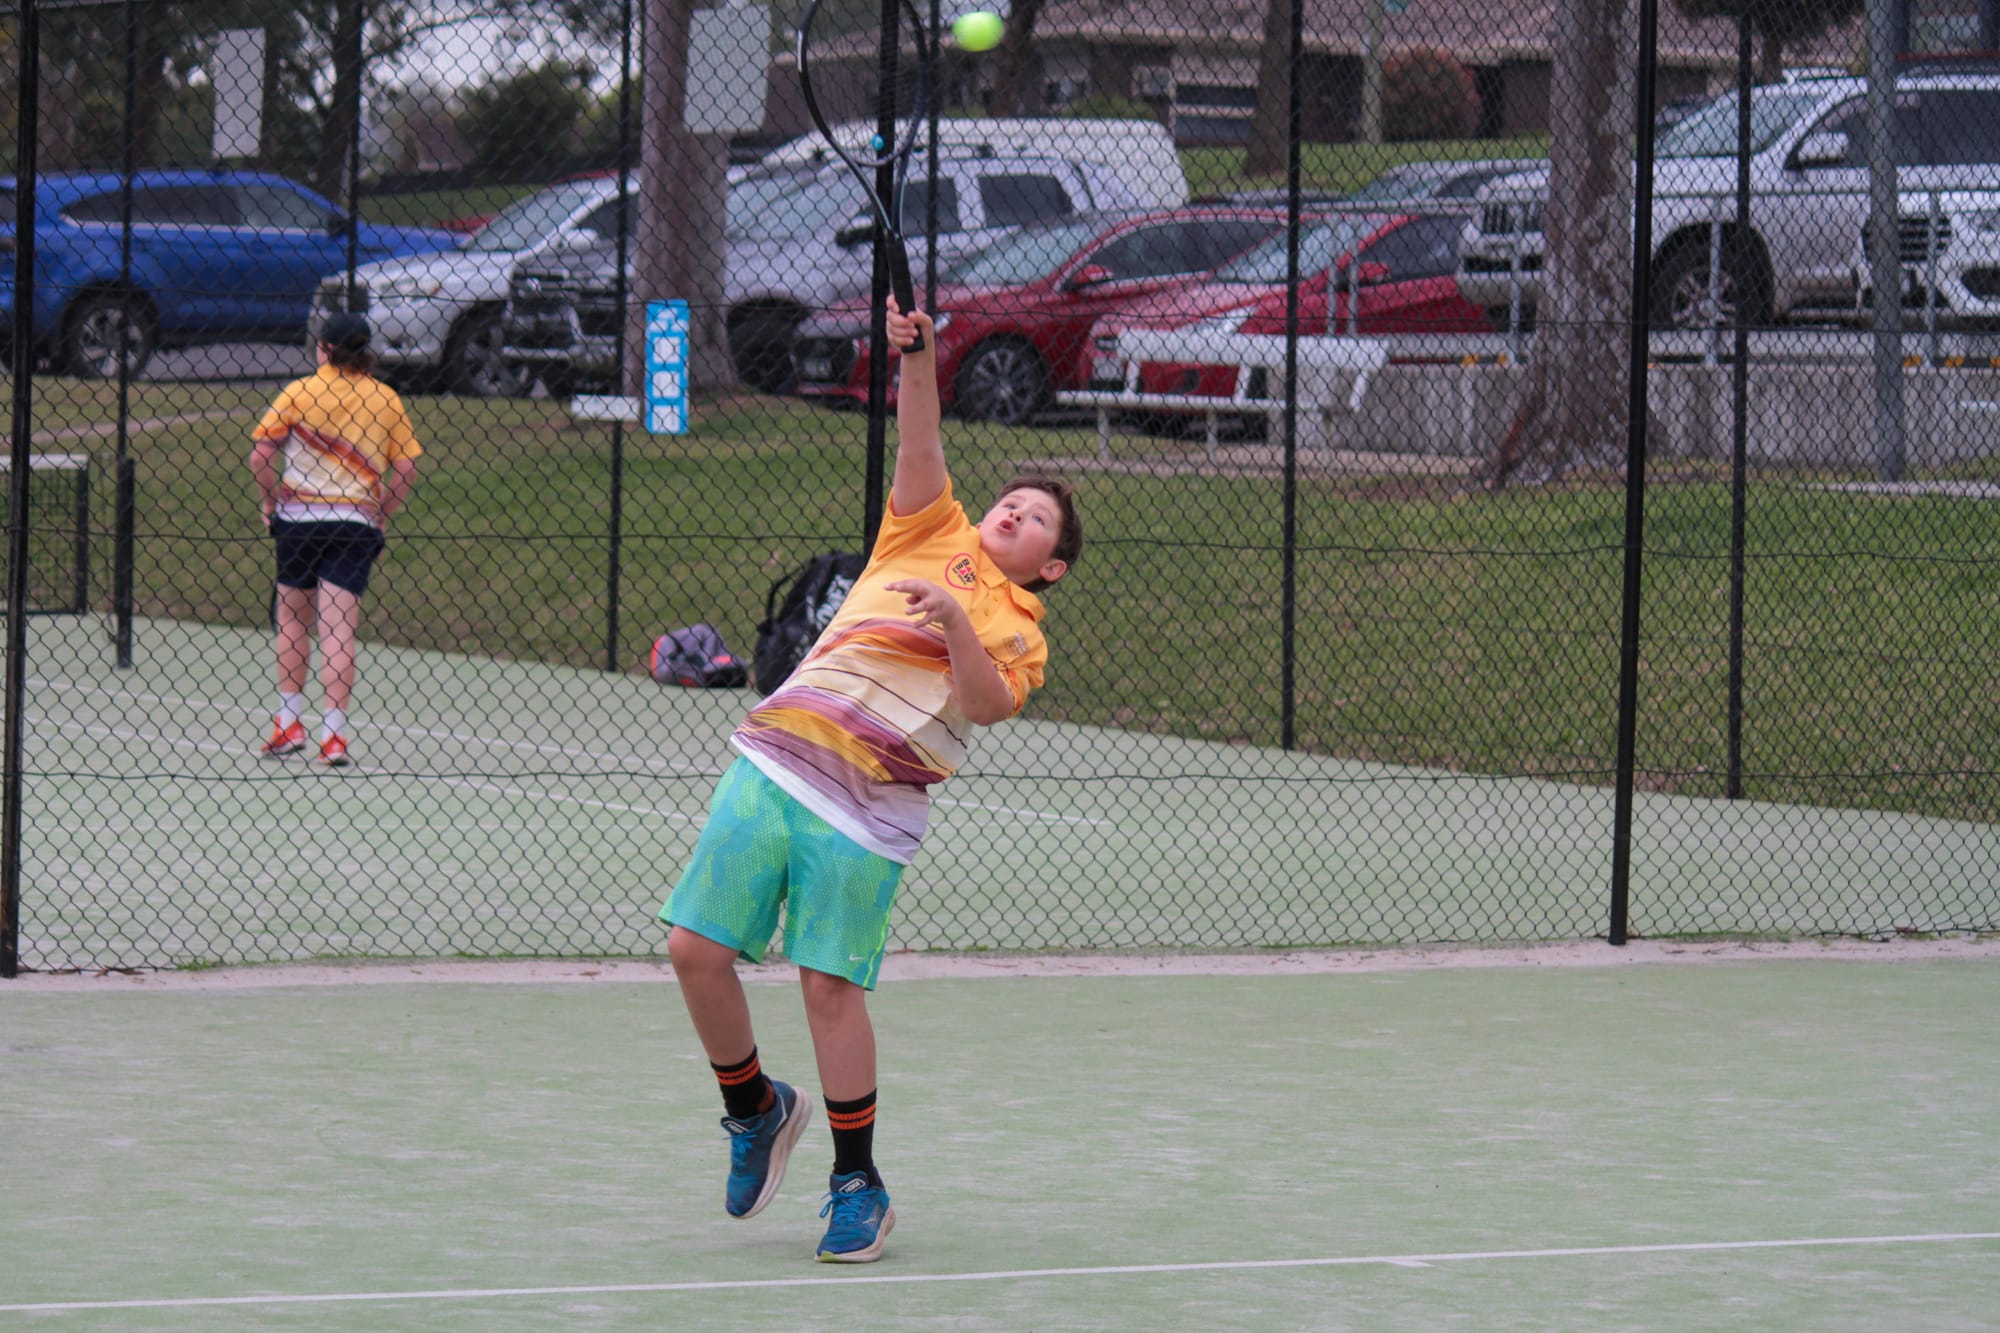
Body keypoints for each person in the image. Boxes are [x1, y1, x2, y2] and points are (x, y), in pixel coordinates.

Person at [659, 296, 1083, 1263]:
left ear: (1050, 567)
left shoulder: (1020, 628)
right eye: (1012, 499)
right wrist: (921, 354)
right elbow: (921, 432)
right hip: (775, 759)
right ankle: (754, 1110)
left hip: (868, 812)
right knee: (693, 949)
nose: (1014, 511)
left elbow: (986, 707)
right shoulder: (925, 530)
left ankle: (858, 1182)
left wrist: (956, 623)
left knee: (827, 989)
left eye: (1037, 520)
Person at [248, 312, 421, 767]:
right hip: (355, 523)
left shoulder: (299, 392)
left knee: (292, 619)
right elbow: (406, 467)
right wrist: (381, 513)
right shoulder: (385, 398)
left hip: (299, 519)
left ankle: (288, 723)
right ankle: (335, 736)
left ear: (324, 348)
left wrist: (270, 502)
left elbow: (260, 455)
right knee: (339, 628)